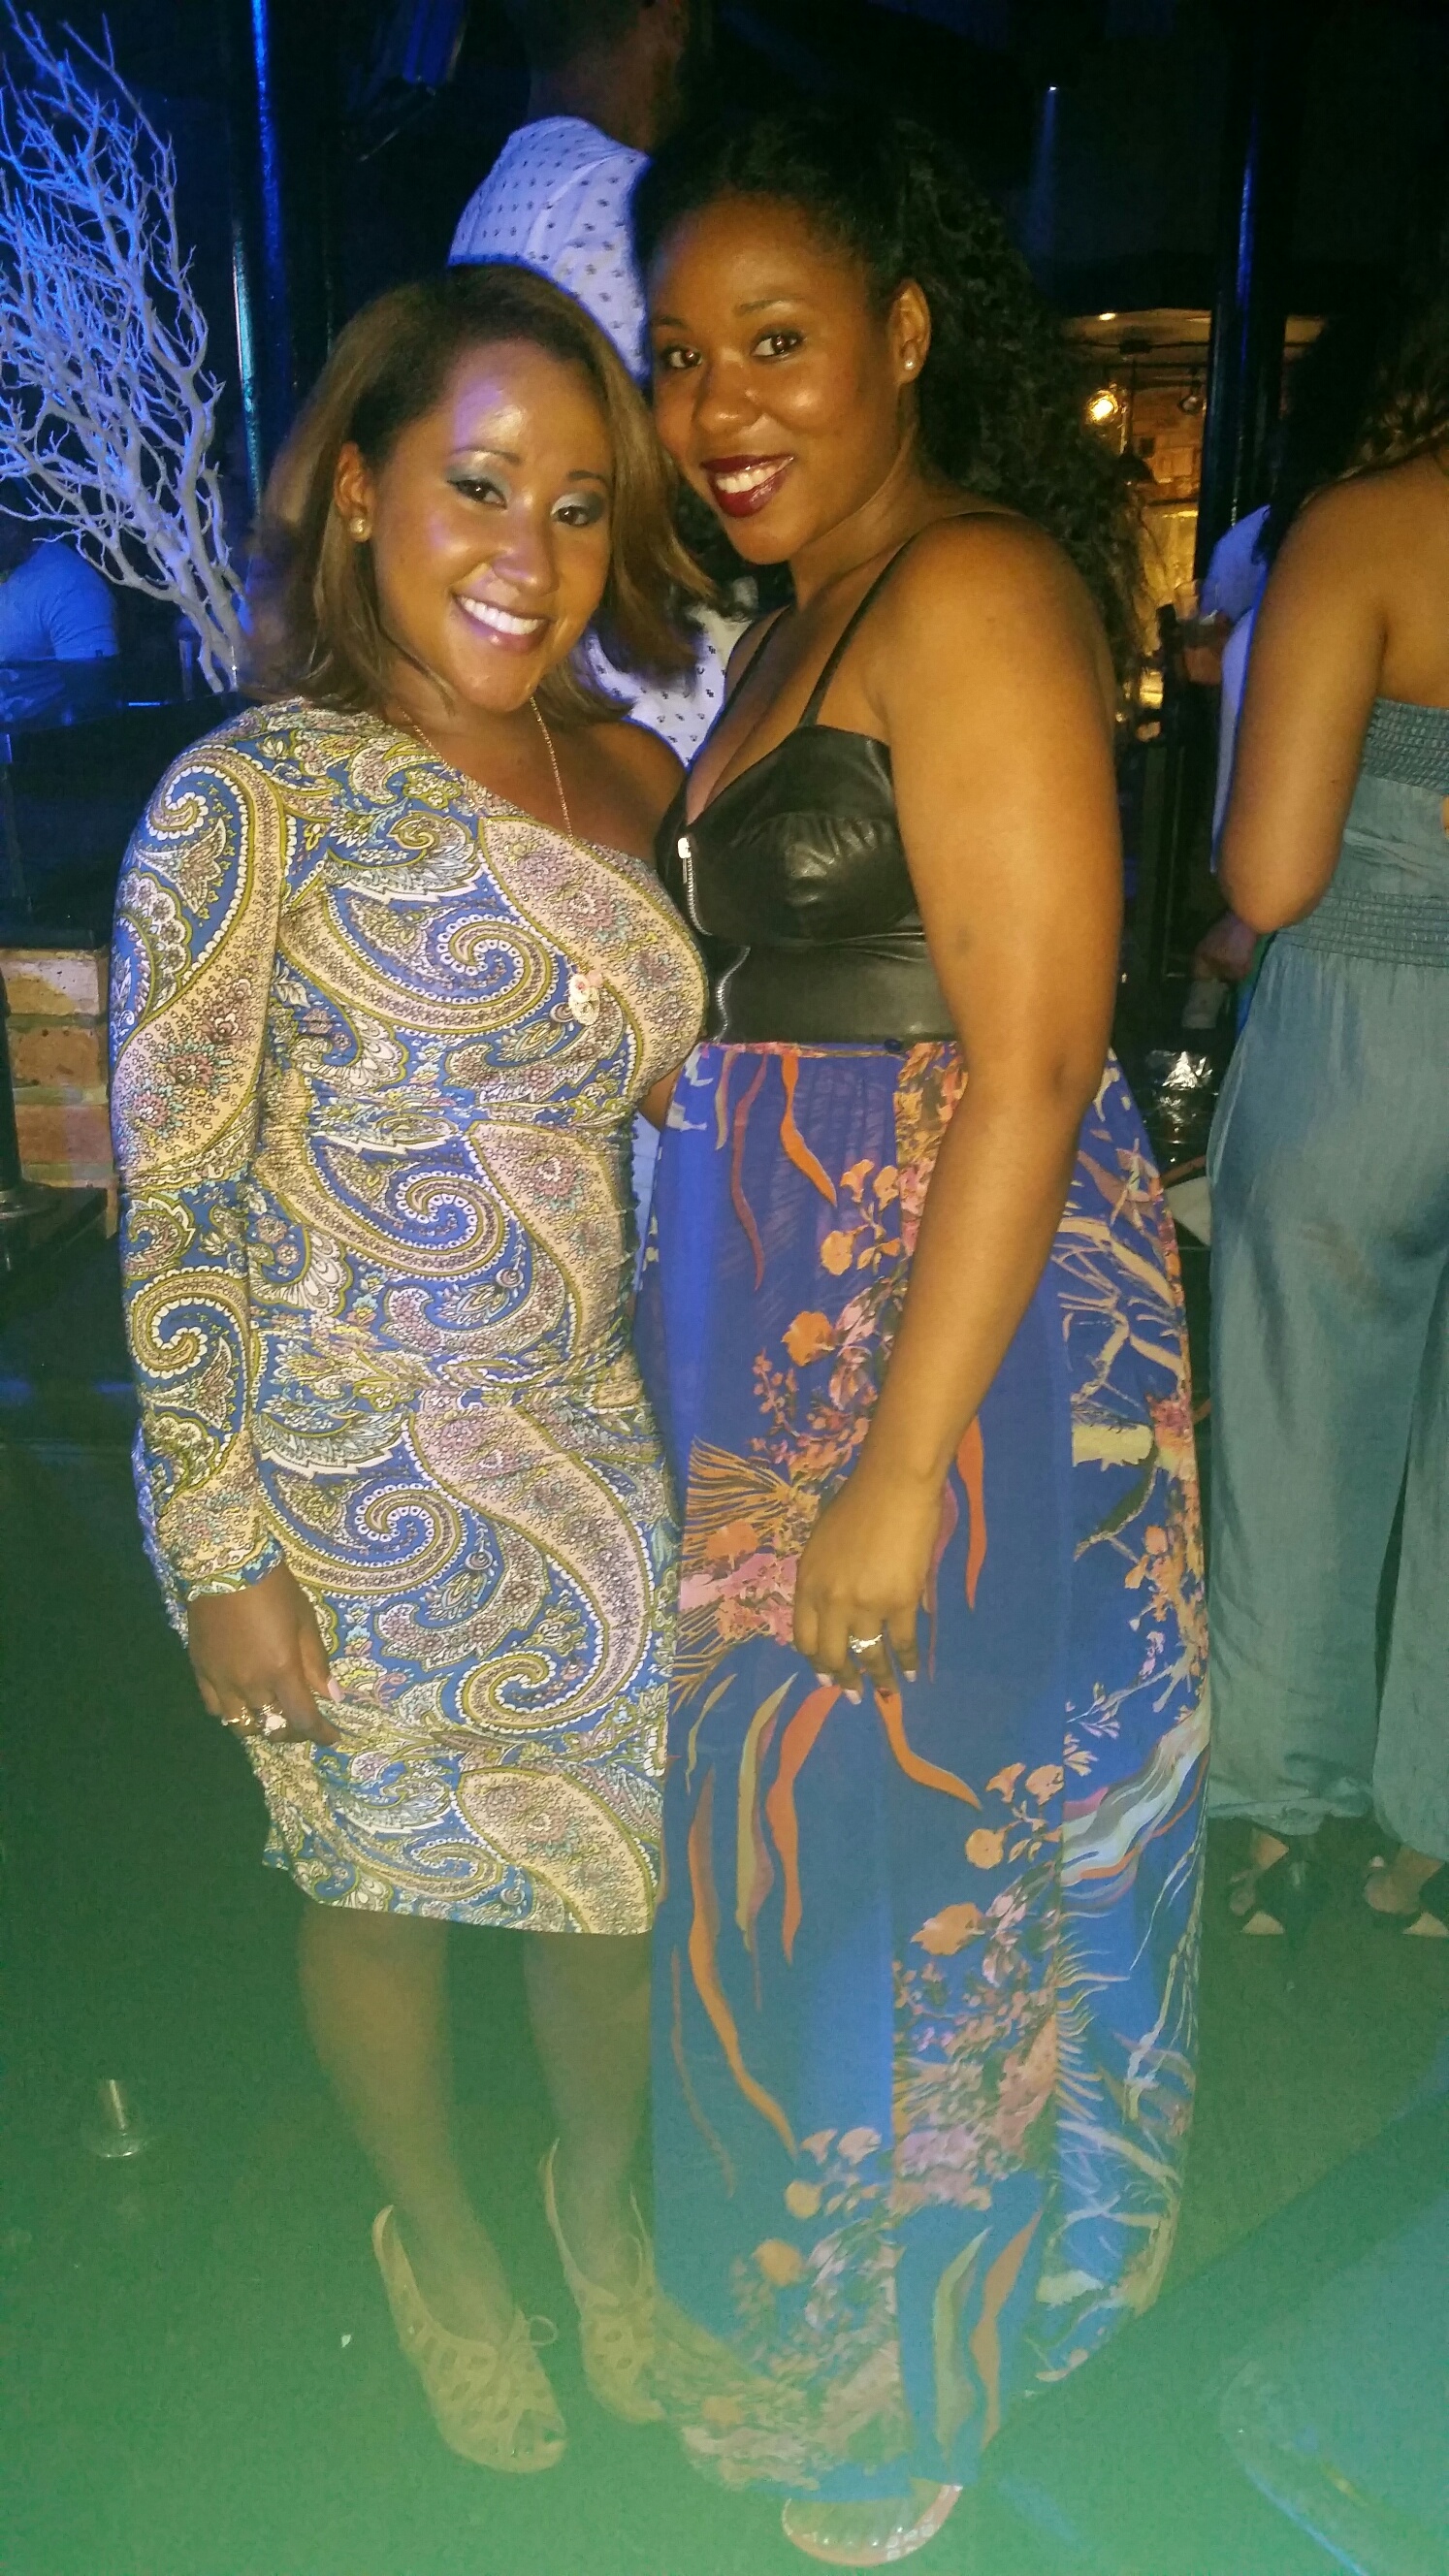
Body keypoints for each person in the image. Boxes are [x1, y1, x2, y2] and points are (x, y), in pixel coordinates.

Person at [631, 109, 1209, 2567]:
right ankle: (834, 2350)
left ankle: (907, 2402)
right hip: (805, 1324)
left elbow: (1038, 1053)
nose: (716, 404)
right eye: (677, 354)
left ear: (899, 331)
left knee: (918, 1874)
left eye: (774, 339)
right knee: (817, 1864)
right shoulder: (809, 610)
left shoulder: (965, 585)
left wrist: (892, 1465)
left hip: (940, 1352)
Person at [109, 265, 708, 2470]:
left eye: (576, 504)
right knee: (379, 1899)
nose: (526, 552)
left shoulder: (637, 775)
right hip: (328, 1487)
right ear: (360, 492)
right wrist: (218, 1551)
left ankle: (597, 2207)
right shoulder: (243, 804)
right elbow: (172, 1200)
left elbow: (693, 1124)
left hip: (588, 1463)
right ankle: (443, 2244)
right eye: (477, 485)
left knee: (606, 1899)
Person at [1207, 217, 1449, 1948]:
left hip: (1365, 1039)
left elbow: (1272, 874)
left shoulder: (1367, 528)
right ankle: (1429, 1852)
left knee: (1293, 1428)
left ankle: (1275, 1826)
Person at [450, 0, 724, 768]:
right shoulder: (627, 199)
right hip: (645, 699)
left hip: (551, 695)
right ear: (669, 19)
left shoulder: (495, 200)